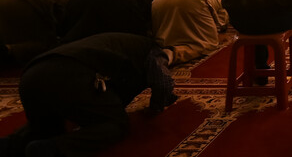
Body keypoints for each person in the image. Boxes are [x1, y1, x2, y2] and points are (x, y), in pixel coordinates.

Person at [0, 32, 175, 157]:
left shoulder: (121, 41)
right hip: (69, 76)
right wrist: (157, 107)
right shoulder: (154, 50)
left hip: (31, 74)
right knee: (116, 124)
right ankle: (54, 149)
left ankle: (8, 145)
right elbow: (162, 81)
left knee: (47, 126)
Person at [151, 0, 229, 64]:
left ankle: (160, 48)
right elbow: (221, 25)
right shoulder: (224, 4)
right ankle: (171, 54)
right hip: (194, 1)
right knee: (209, 44)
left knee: (168, 37)